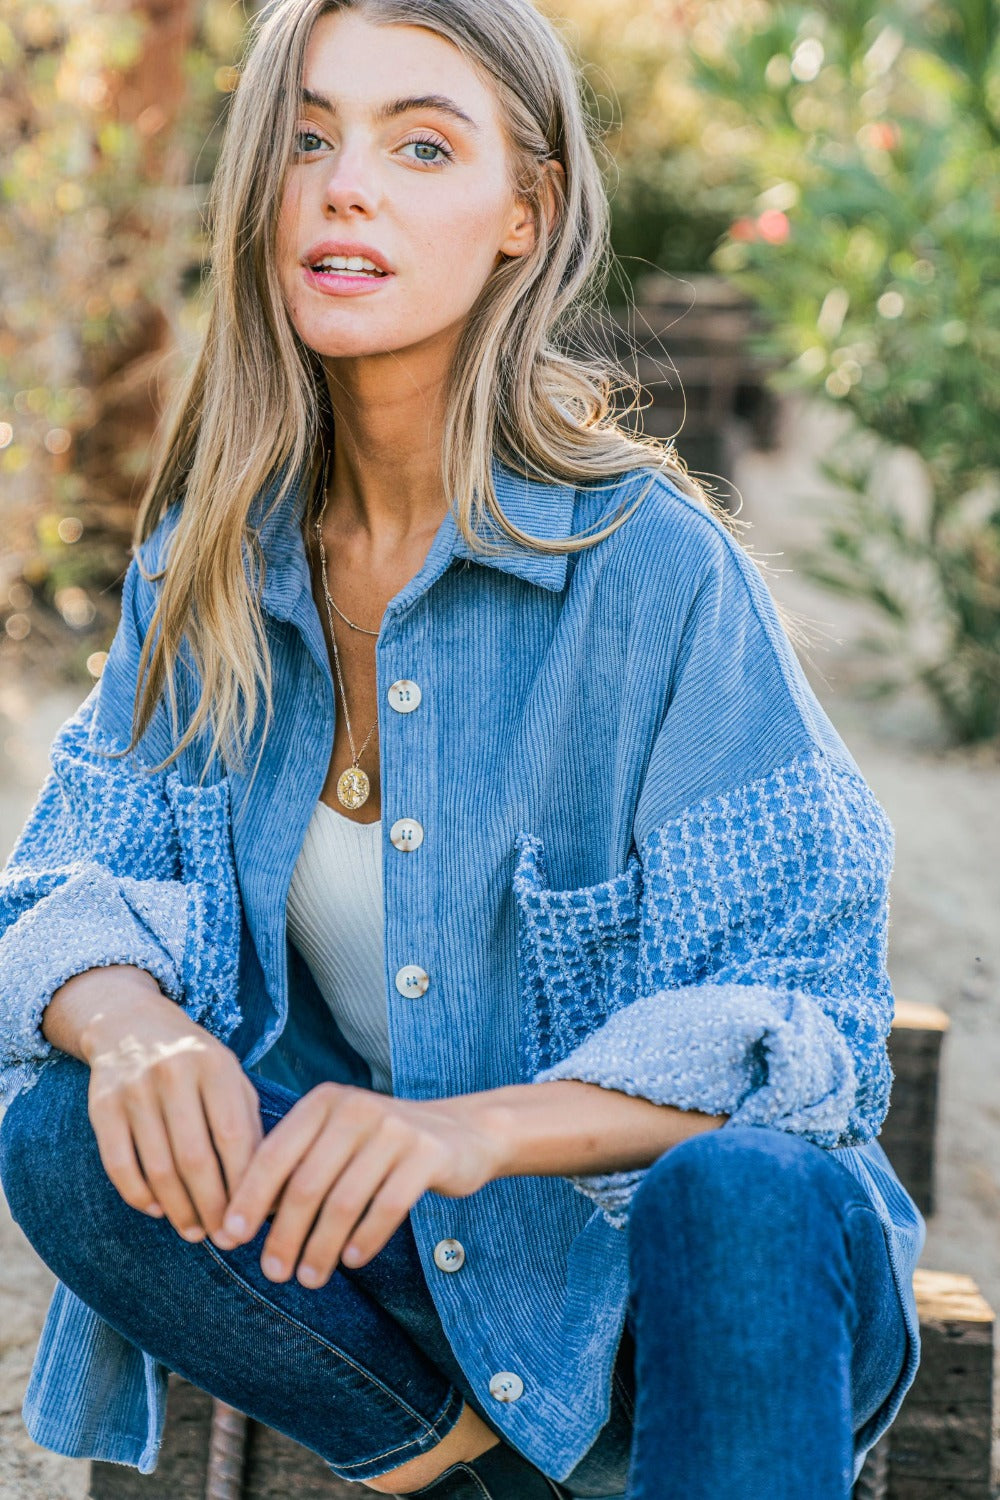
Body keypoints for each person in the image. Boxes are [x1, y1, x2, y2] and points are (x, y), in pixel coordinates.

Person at [0, 1, 925, 1496]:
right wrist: (130, 1025)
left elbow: (808, 1028)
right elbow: (65, 891)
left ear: (523, 213)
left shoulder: (655, 570)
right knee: (66, 1130)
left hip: (684, 1282)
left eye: (419, 143)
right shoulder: (208, 569)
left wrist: (462, 1134)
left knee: (741, 1196)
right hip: (412, 1297)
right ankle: (464, 1467)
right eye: (307, 138)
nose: (343, 185)